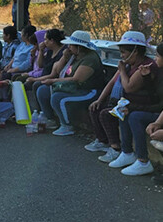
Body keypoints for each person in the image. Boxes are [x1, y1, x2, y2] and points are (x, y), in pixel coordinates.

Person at [84, 31, 156, 163]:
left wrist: (122, 71)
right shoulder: (128, 64)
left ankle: (116, 148)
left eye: (124, 52)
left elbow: (128, 86)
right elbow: (112, 82)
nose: (121, 56)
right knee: (95, 108)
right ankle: (102, 141)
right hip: (123, 101)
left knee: (107, 114)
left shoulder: (144, 67)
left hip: (138, 104)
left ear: (135, 52)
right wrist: (99, 100)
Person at [109, 42, 163, 176]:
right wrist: (147, 77)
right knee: (124, 110)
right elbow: (155, 96)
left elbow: (158, 104)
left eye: (157, 56)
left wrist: (133, 107)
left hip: (157, 111)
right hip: (157, 112)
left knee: (134, 115)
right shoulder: (158, 71)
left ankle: (143, 160)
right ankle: (127, 152)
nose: (155, 59)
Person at [36, 30, 105, 136]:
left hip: (88, 90)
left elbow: (77, 79)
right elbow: (58, 71)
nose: (68, 47)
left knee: (58, 97)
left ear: (79, 46)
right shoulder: (73, 56)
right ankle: (50, 119)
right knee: (43, 90)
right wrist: (64, 58)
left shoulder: (90, 59)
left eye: (71, 45)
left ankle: (67, 125)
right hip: (73, 87)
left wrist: (53, 81)